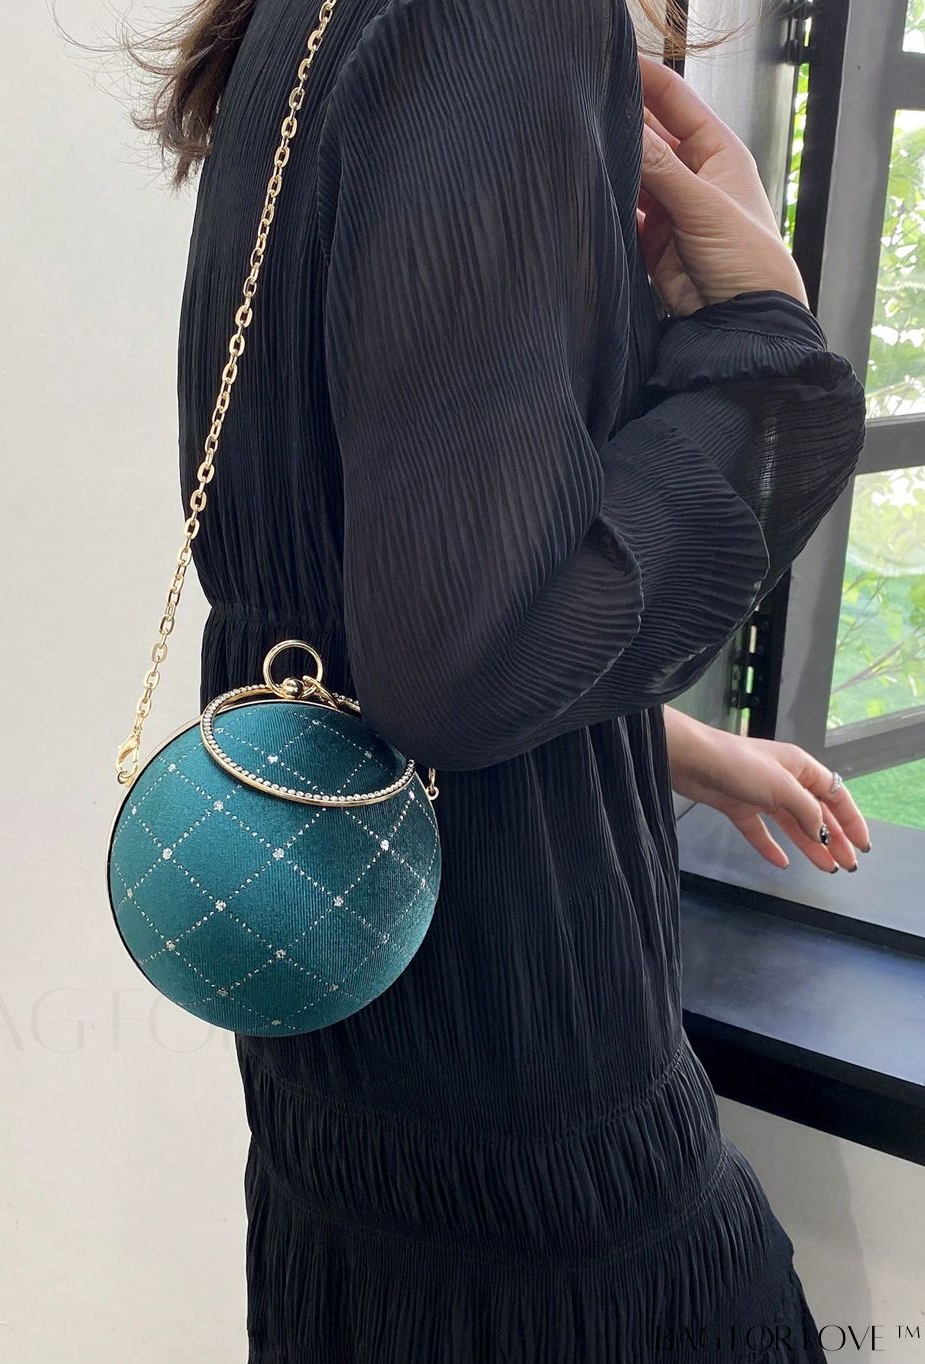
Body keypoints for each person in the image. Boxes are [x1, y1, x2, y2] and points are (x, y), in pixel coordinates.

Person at [131, 0, 869, 1356]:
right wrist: (763, 343)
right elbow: (466, 667)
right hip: (510, 1045)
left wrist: (664, 740)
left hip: (351, 968)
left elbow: (385, 583)